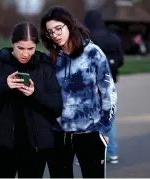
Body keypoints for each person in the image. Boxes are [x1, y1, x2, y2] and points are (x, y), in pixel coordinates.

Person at [0, 22, 63, 178]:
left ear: (36, 46)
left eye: (30, 49)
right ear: (12, 43)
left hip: (35, 149)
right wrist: (3, 85)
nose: (26, 54)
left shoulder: (44, 65)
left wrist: (35, 93)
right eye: (21, 48)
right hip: (1, 147)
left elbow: (57, 108)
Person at [40, 6, 117, 178]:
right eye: (50, 32)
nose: (55, 34)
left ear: (69, 25)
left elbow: (109, 93)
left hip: (90, 134)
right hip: (59, 135)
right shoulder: (50, 58)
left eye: (58, 28)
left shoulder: (93, 53)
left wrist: (104, 130)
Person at [84, 10, 124, 164]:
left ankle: (92, 153)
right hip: (109, 83)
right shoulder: (112, 37)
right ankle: (112, 153)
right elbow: (121, 60)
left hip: (91, 84)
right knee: (109, 118)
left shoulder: (87, 39)